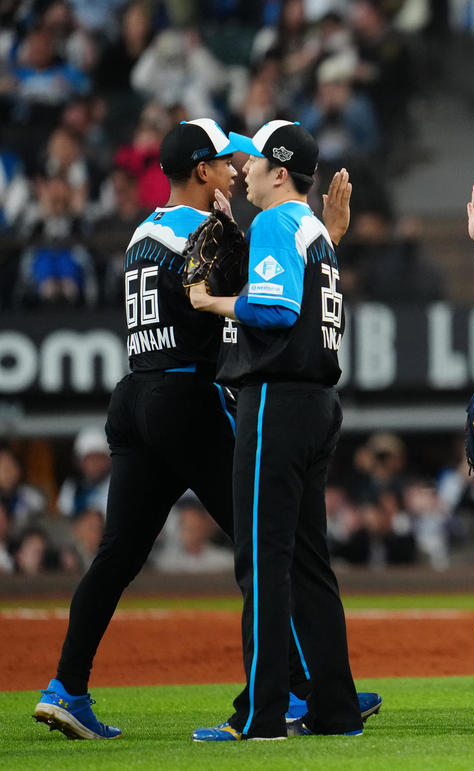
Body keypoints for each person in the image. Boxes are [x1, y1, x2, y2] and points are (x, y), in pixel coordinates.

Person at [31, 120, 336, 741]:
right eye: (224, 162)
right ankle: (304, 689)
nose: (233, 171)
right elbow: (275, 291)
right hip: (188, 396)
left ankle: (67, 685)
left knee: (117, 555)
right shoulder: (210, 232)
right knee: (262, 542)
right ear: (201, 172)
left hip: (135, 397)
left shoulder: (145, 230)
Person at [187, 120, 366, 740]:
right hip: (316, 404)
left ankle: (262, 718)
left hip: (276, 402)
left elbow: (275, 308)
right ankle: (335, 710)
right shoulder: (316, 230)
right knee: (311, 566)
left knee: (263, 563)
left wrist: (214, 303)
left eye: (253, 161)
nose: (244, 171)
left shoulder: (277, 222)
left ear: (280, 170)